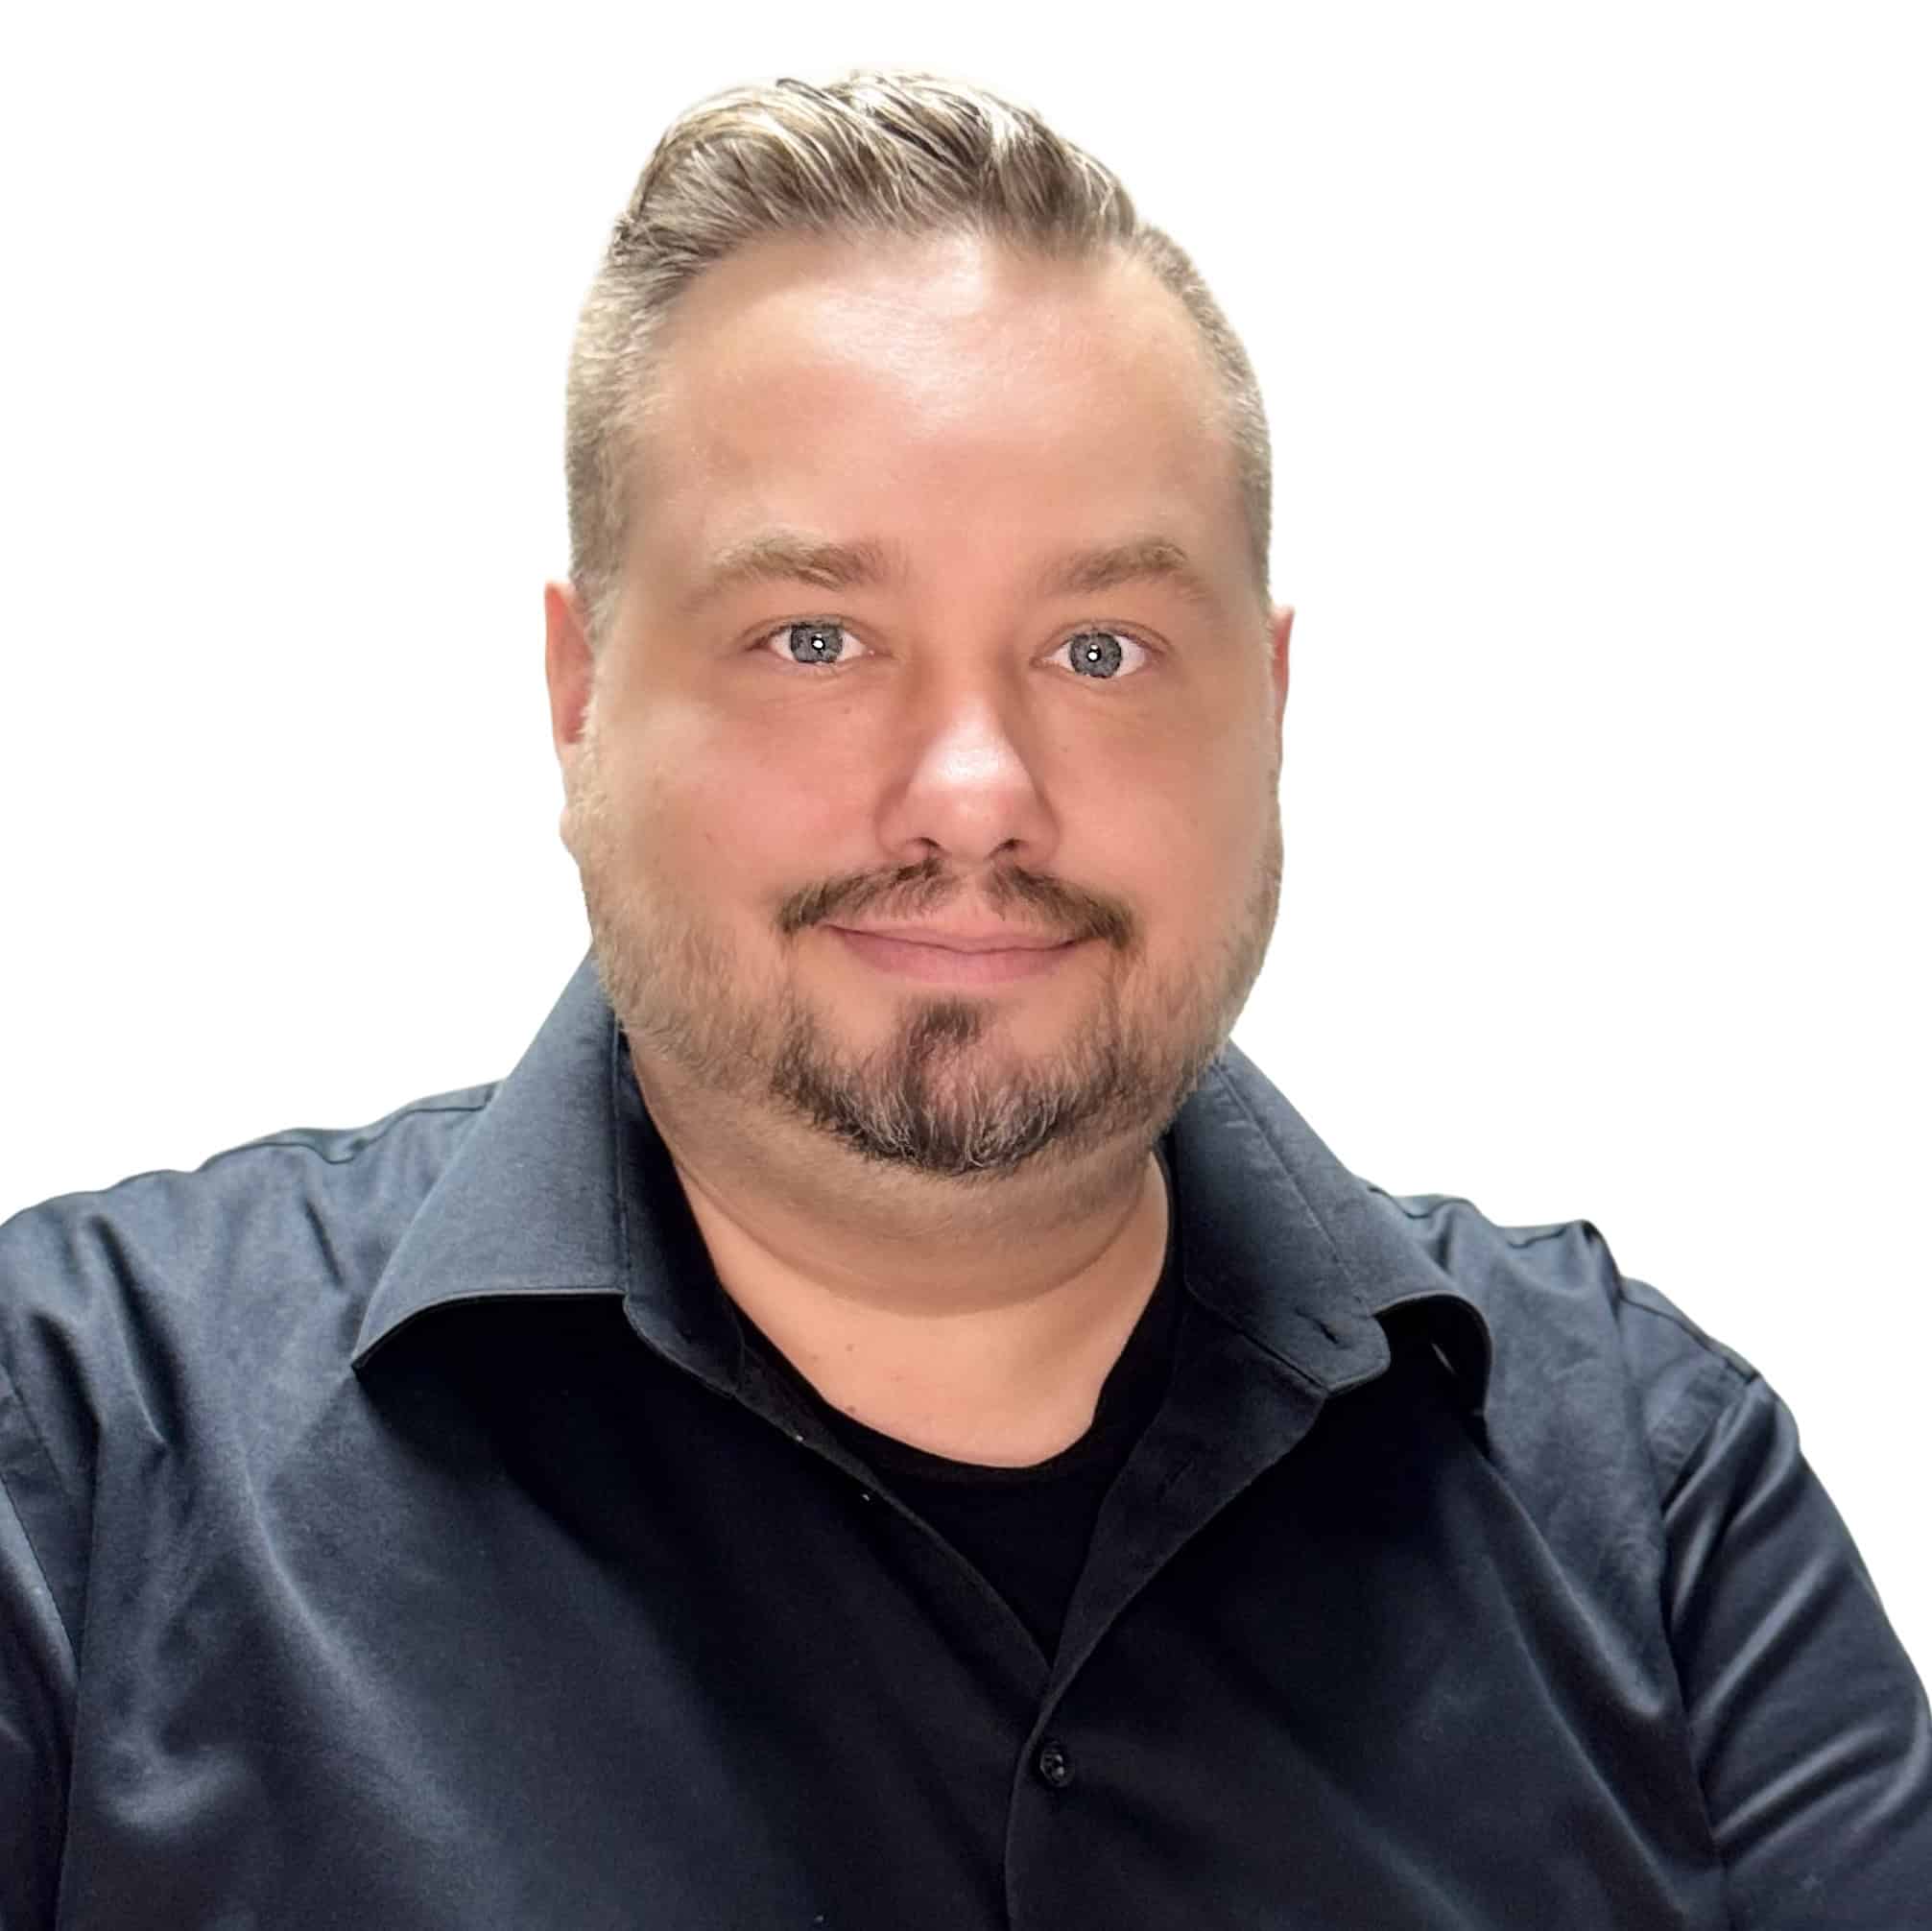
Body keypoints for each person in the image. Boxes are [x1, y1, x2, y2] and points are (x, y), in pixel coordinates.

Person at [2, 67, 1925, 1930]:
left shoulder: (1653, 1494)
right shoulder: (77, 1450)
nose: (975, 792)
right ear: (578, 697)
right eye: (814, 638)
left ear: (1269, 706)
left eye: (1099, 649)